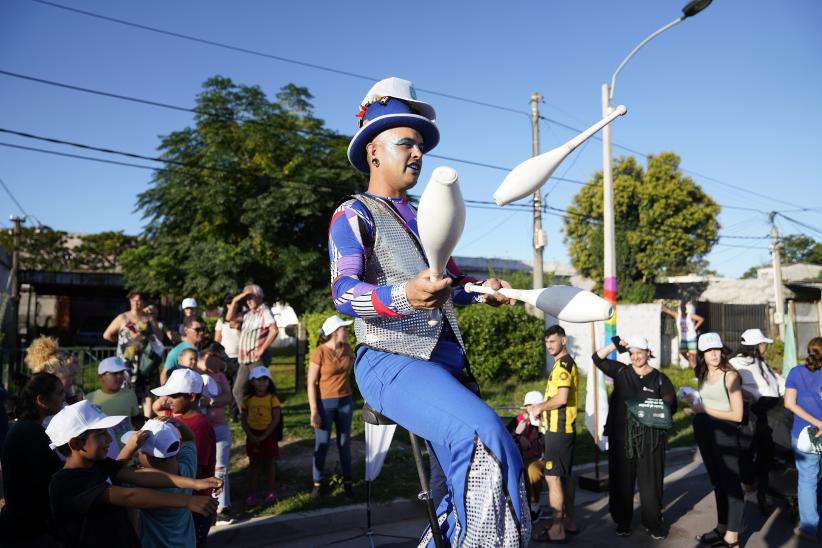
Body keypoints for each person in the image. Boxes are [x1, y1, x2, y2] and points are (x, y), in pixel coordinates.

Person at [328, 76, 528, 546]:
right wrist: (402, 295)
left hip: (446, 367)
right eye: (406, 143)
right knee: (486, 446)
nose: (417, 153)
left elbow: (450, 284)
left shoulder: (425, 216)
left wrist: (484, 290)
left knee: (454, 492)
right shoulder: (353, 212)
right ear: (374, 152)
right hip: (389, 360)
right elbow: (342, 292)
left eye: (420, 145)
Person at [46, 400, 220, 548]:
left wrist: (195, 483)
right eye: (101, 434)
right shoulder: (69, 482)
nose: (109, 439)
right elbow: (129, 496)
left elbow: (139, 475)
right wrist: (188, 500)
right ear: (76, 443)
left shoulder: (98, 464)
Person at [593, 335, 677, 540]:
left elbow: (670, 405)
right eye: (632, 353)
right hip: (621, 439)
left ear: (648, 353)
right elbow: (597, 359)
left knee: (651, 484)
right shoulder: (621, 372)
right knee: (622, 482)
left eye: (640, 352)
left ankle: (653, 523)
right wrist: (615, 344)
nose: (635, 357)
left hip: (650, 440)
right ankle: (623, 521)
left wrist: (652, 410)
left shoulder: (659, 378)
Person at [689, 332, 745, 548]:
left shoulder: (730, 376)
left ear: (722, 351)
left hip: (724, 432)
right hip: (704, 429)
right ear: (703, 354)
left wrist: (705, 409)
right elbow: (707, 400)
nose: (713, 354)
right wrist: (694, 401)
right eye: (708, 350)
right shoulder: (703, 373)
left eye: (717, 349)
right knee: (717, 481)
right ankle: (722, 527)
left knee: (730, 483)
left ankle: (733, 537)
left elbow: (737, 415)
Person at [151, 369, 218, 547]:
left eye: (173, 395)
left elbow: (197, 469)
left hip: (196, 503)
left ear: (191, 396)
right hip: (181, 500)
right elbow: (157, 408)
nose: (168, 400)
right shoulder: (173, 417)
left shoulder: (200, 427)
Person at [525, 325, 578, 542]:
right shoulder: (561, 364)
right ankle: (569, 521)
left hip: (559, 429)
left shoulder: (564, 365)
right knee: (564, 477)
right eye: (547, 342)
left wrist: (539, 408)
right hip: (561, 429)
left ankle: (557, 529)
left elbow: (561, 398)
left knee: (553, 478)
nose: (549, 346)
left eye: (553, 341)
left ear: (563, 341)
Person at [0, 373, 65, 546]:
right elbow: (55, 476)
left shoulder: (27, 428)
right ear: (42, 400)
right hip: (27, 531)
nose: (63, 398)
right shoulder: (30, 432)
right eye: (59, 393)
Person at [119, 418, 200, 548]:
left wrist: (129, 448)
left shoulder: (138, 482)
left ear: (147, 456)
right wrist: (178, 424)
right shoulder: (187, 469)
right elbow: (189, 439)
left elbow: (114, 473)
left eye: (138, 452)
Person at [729, 328, 784, 508]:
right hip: (750, 413)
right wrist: (748, 397)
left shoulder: (761, 362)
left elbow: (778, 382)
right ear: (755, 345)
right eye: (763, 344)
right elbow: (729, 385)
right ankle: (750, 487)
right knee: (747, 450)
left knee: (767, 451)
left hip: (772, 411)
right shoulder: (735, 363)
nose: (765, 347)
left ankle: (763, 486)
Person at [308, 315, 355, 499]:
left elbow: (348, 371)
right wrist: (314, 411)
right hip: (325, 403)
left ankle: (348, 482)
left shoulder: (347, 349)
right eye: (344, 329)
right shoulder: (319, 352)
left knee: (344, 443)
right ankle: (317, 484)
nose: (347, 331)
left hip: (345, 401)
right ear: (335, 332)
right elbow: (311, 383)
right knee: (322, 443)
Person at [783, 337, 822, 542]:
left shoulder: (796, 372)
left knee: (807, 480)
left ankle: (809, 527)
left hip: (803, 434)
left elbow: (789, 403)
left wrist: (816, 422)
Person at [103, 292, 163, 416]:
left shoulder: (147, 318)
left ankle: (147, 419)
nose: (136, 303)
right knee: (125, 387)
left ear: (144, 303)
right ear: (129, 301)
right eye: (133, 300)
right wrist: (121, 344)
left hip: (145, 360)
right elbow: (107, 335)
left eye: (139, 300)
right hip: (127, 360)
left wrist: (152, 320)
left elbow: (159, 338)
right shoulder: (123, 317)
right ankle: (126, 415)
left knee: (147, 389)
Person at [197, 344, 234, 524]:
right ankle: (203, 506)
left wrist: (210, 401)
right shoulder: (194, 375)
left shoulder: (220, 376)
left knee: (221, 467)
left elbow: (228, 397)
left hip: (219, 427)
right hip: (199, 429)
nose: (221, 361)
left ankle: (222, 507)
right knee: (201, 467)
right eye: (217, 357)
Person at [228, 285, 279, 411]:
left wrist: (262, 349)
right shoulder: (247, 314)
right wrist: (235, 300)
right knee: (238, 390)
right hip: (244, 359)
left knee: (261, 388)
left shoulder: (264, 311)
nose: (248, 300)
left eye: (251, 297)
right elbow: (229, 318)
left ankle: (268, 413)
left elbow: (274, 330)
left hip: (256, 358)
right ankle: (247, 415)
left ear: (259, 297)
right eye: (246, 298)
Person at [241, 365, 282, 507]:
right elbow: (243, 419)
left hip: (268, 435)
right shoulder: (247, 400)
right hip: (253, 435)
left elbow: (276, 419)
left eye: (266, 380)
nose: (263, 383)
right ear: (252, 382)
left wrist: (265, 435)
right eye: (259, 380)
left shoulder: (272, 399)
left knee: (270, 464)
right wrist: (250, 435)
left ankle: (271, 491)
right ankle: (252, 493)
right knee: (254, 465)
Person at [85, 356, 144, 447]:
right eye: (114, 373)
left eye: (121, 373)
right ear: (101, 377)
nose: (120, 376)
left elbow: (135, 420)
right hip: (104, 449)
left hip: (127, 448)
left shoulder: (130, 395)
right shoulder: (90, 398)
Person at [513, 391, 545, 523]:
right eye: (528, 406)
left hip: (541, 459)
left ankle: (534, 507)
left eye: (534, 406)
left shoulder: (546, 421)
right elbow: (509, 436)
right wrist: (519, 436)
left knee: (532, 470)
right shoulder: (519, 420)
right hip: (520, 458)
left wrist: (540, 434)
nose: (530, 409)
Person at [24, 336, 82, 404]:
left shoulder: (67, 398)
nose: (75, 381)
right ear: (53, 376)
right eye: (71, 375)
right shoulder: (46, 406)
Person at [161, 316, 206, 385]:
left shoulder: (207, 346)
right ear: (186, 330)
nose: (201, 332)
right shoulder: (177, 351)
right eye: (197, 329)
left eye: (203, 329)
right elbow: (164, 375)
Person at [662, 301, 704, 369]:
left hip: (691, 337)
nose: (683, 310)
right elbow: (668, 311)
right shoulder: (677, 316)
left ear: (686, 309)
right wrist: (662, 306)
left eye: (684, 308)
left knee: (692, 353)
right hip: (683, 338)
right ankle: (692, 364)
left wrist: (695, 328)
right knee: (682, 352)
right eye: (681, 308)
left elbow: (701, 319)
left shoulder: (690, 315)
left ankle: (692, 366)